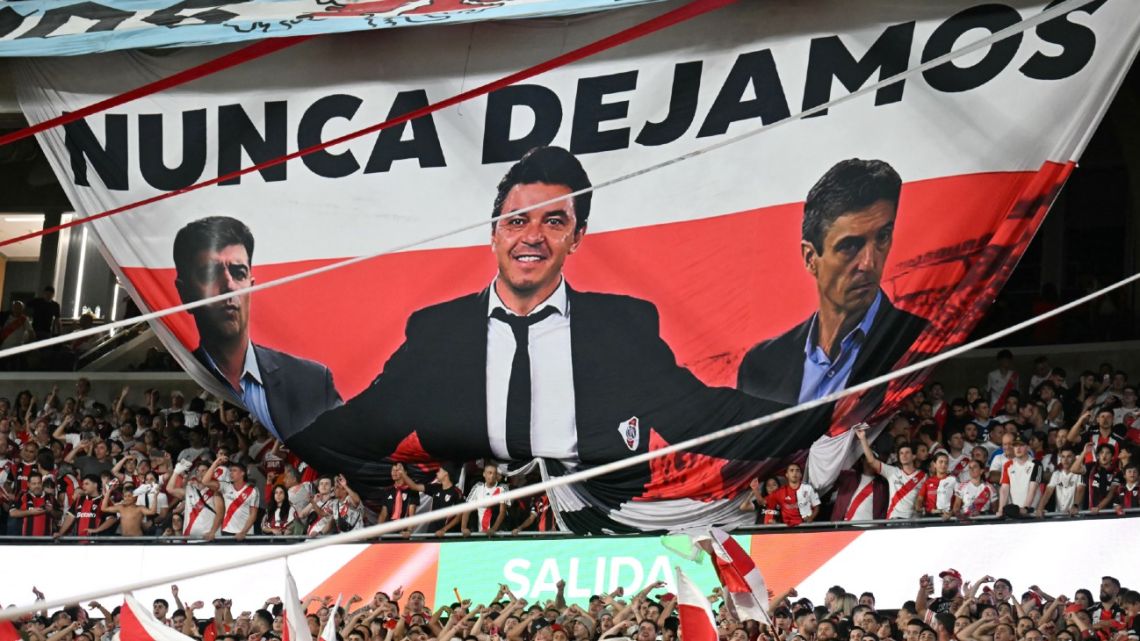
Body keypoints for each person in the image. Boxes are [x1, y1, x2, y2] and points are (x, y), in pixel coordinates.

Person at [285, 146, 799, 534]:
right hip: (495, 511)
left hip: (619, 516)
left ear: (577, 236)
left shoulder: (622, 324)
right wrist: (290, 428)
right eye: (517, 221)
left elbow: (699, 412)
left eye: (554, 221)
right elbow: (365, 421)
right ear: (494, 232)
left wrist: (812, 415)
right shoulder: (437, 330)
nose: (532, 236)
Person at [737, 159, 927, 405]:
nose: (869, 263)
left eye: (882, 237)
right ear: (810, 258)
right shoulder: (762, 363)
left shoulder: (920, 341)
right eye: (850, 246)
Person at [173, 216, 342, 441]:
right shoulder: (188, 376)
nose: (229, 286)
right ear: (185, 293)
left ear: (251, 286)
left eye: (239, 273)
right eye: (211, 274)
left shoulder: (313, 380)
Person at [855, 426, 924, 520]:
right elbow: (871, 460)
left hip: (914, 520)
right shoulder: (892, 472)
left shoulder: (923, 476)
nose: (904, 455)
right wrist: (863, 438)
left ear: (914, 456)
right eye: (901, 453)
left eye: (907, 453)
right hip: (894, 520)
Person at [203, 455, 259, 540]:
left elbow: (253, 514)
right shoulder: (226, 486)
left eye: (234, 471)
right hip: (227, 531)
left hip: (245, 534)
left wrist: (243, 532)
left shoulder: (253, 490)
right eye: (230, 471)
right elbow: (205, 481)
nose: (231, 473)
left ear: (242, 473)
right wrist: (216, 462)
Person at [165, 459, 223, 540]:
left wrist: (212, 532)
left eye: (204, 470)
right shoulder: (190, 489)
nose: (200, 473)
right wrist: (176, 471)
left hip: (209, 537)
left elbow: (220, 514)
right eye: (198, 471)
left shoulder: (215, 491)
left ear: (210, 473)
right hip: (191, 537)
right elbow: (169, 489)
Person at [996, 438, 1043, 518]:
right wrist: (1001, 509)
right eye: (1015, 446)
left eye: (1021, 445)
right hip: (1014, 512)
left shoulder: (1036, 464)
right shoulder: (1008, 465)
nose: (1018, 448)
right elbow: (1004, 489)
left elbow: (1033, 488)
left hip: (1032, 511)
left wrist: (1025, 508)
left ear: (1028, 447)